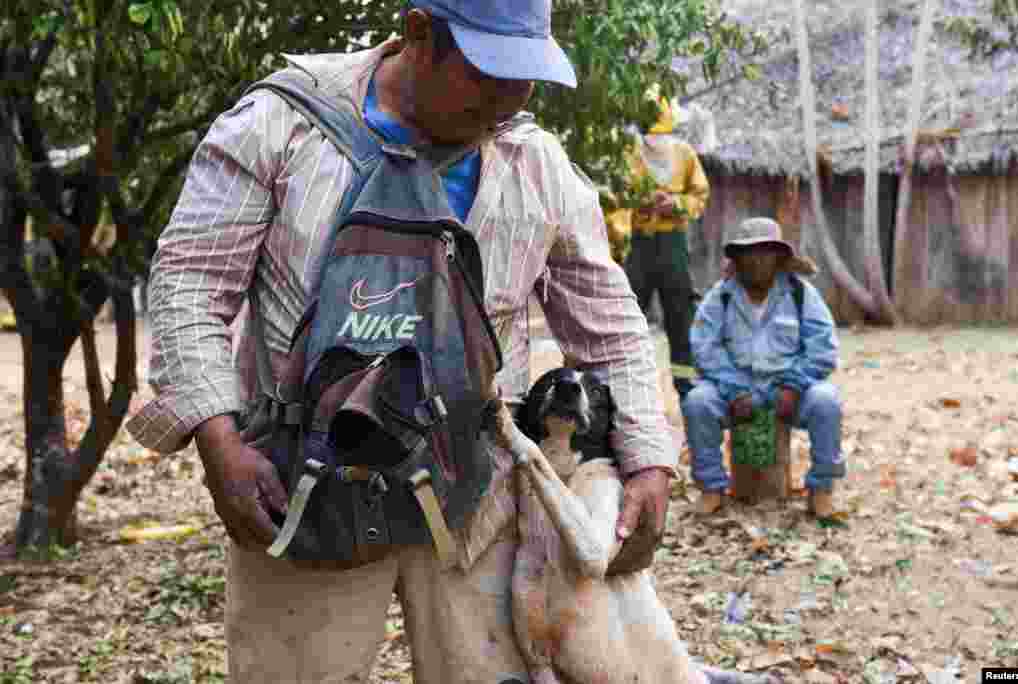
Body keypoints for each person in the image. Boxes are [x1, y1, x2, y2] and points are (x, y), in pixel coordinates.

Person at [126, 2, 675, 683]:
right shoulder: (283, 124)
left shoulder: (531, 160)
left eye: (524, 77)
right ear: (418, 33)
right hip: (303, 491)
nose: (506, 102)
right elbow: (189, 286)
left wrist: (649, 458)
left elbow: (606, 317)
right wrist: (220, 445)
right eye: (488, 73)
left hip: (476, 493)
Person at [683, 217, 844, 518]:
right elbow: (704, 348)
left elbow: (823, 348)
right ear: (737, 259)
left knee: (827, 401)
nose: (757, 261)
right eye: (748, 253)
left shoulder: (801, 294)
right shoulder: (721, 296)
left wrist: (794, 385)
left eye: (765, 252)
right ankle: (711, 489)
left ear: (779, 258)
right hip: (734, 390)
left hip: (788, 389)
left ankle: (821, 490)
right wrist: (733, 389)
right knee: (698, 402)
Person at [624, 95, 710, 405]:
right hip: (640, 243)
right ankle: (626, 386)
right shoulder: (629, 153)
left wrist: (675, 203)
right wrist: (642, 205)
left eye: (661, 136)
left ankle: (686, 386)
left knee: (680, 312)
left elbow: (700, 197)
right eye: (651, 136)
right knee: (631, 312)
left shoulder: (685, 155)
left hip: (673, 242)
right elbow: (617, 200)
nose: (655, 141)